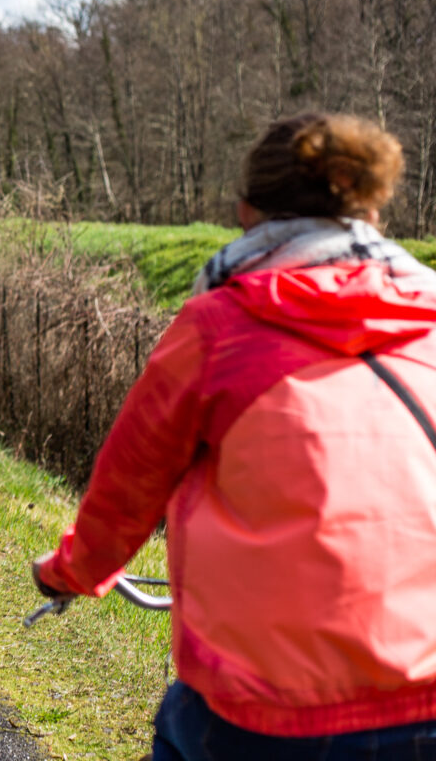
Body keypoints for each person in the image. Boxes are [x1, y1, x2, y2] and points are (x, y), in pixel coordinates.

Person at [32, 113, 436, 760]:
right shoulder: (428, 315)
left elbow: (127, 488)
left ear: (247, 211)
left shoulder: (218, 326)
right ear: (372, 212)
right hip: (425, 698)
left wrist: (72, 574)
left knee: (184, 729)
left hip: (265, 707)